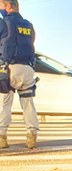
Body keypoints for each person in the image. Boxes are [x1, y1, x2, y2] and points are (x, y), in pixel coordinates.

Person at [0, 0, 38, 149]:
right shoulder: (28, 25)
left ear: (8, 6)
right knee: (28, 103)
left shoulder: (3, 23)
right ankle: (31, 136)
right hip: (28, 69)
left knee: (5, 103)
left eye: (1, 6)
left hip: (9, 68)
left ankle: (2, 137)